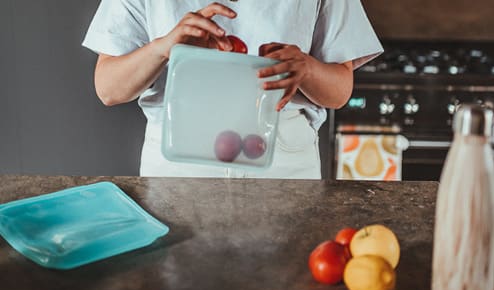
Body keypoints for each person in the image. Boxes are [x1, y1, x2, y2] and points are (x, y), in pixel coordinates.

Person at [82, 0, 383, 179]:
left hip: (284, 160)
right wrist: (163, 49)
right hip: (177, 164)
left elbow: (340, 91)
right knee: (179, 280)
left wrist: (307, 67)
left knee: (284, 280)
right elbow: (109, 88)